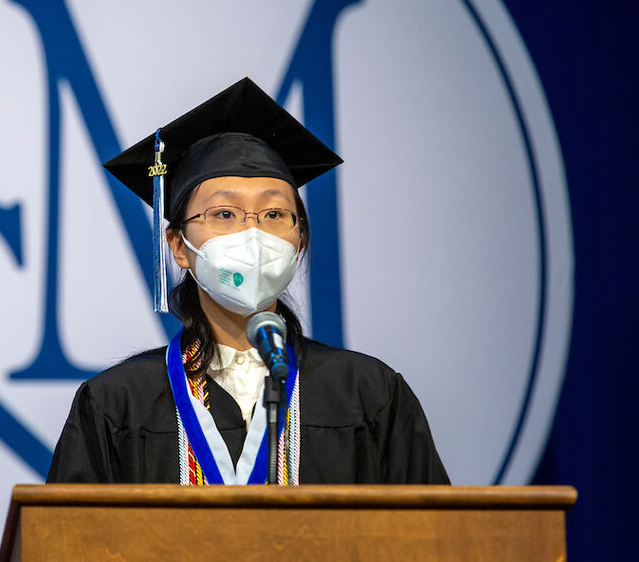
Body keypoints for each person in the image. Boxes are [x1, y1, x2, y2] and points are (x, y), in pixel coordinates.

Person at [46, 78, 449, 485]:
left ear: (300, 240)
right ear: (179, 246)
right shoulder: (119, 403)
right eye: (225, 214)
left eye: (274, 215)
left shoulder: (367, 394)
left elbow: (432, 539)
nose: (252, 234)